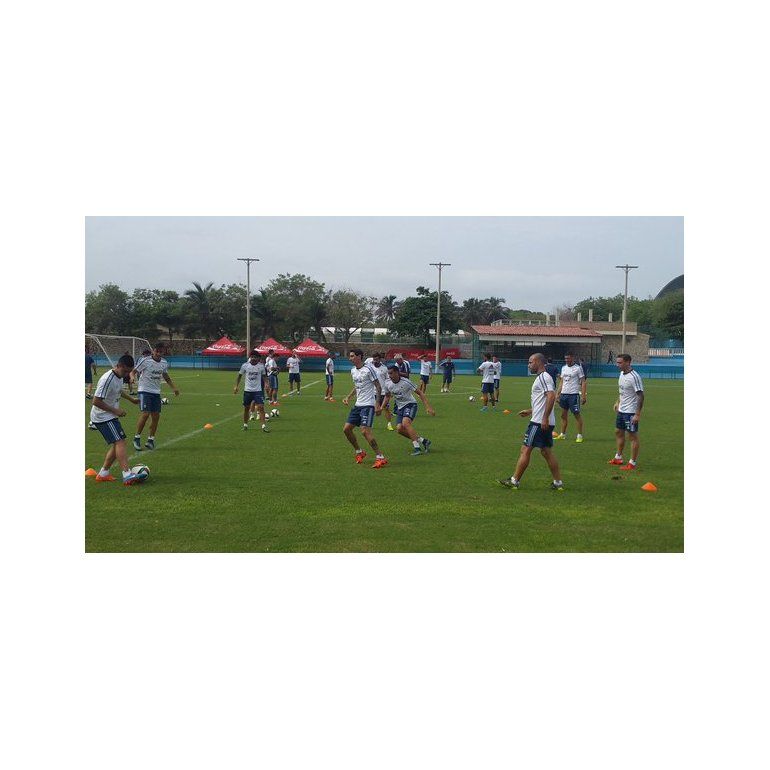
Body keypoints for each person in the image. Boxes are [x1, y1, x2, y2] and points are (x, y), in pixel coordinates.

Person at [498, 353, 563, 491]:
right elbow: (543, 400)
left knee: (525, 449)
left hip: (539, 422)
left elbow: (551, 396)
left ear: (538, 362)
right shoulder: (543, 377)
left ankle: (514, 481)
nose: (528, 365)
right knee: (546, 452)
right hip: (543, 420)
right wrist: (530, 411)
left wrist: (544, 418)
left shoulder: (544, 377)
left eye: (530, 362)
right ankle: (558, 483)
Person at [89, 354, 142, 485]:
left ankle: (103, 473)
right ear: (118, 366)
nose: (126, 374)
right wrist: (116, 410)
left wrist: (131, 399)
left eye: (129, 372)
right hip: (102, 416)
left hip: (109, 415)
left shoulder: (119, 376)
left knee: (118, 442)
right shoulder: (107, 379)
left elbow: (118, 390)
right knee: (120, 442)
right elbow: (96, 401)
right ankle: (127, 474)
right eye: (125, 371)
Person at [342, 349, 388, 468]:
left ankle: (380, 457)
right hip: (358, 405)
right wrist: (348, 397)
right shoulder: (353, 370)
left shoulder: (368, 369)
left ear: (359, 357)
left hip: (368, 405)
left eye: (352, 356)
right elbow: (357, 386)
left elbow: (378, 386)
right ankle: (359, 451)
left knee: (364, 431)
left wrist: (377, 404)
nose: (350, 358)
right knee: (346, 429)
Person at [131, 343, 180, 451]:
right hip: (144, 390)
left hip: (156, 392)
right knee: (145, 414)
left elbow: (166, 376)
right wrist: (132, 377)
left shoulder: (164, 363)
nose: (158, 353)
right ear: (153, 351)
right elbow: (133, 371)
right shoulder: (145, 361)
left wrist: (174, 388)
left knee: (156, 416)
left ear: (163, 352)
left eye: (161, 352)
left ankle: (150, 440)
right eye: (157, 351)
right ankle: (137, 438)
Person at [380, 364, 435, 455]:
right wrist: (381, 407)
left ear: (397, 373)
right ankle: (424, 441)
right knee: (399, 429)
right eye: (388, 373)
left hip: (410, 404)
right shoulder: (387, 383)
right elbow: (387, 396)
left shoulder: (406, 382)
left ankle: (417, 448)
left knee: (406, 423)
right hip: (400, 407)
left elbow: (420, 393)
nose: (389, 376)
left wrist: (428, 407)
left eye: (391, 373)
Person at [610, 353, 644, 470]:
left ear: (628, 362)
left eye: (620, 363)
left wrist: (637, 414)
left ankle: (632, 463)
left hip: (630, 412)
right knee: (618, 432)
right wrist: (617, 402)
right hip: (621, 410)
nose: (617, 365)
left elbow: (640, 395)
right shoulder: (621, 374)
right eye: (617, 362)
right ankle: (618, 457)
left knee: (632, 436)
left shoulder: (634, 377)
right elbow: (623, 391)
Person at [554, 352, 587, 442]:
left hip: (573, 395)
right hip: (564, 395)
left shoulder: (578, 368)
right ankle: (562, 434)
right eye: (565, 358)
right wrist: (557, 394)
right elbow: (562, 382)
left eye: (568, 358)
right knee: (563, 415)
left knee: (576, 415)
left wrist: (583, 395)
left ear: (572, 358)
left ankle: (579, 435)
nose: (566, 360)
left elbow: (583, 381)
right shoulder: (563, 368)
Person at [234, 350, 270, 432]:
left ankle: (264, 426)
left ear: (258, 358)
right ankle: (245, 425)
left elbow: (264, 376)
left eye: (255, 357)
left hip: (258, 391)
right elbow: (239, 376)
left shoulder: (261, 366)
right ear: (250, 357)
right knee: (246, 408)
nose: (253, 358)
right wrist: (236, 386)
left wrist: (267, 384)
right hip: (247, 391)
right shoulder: (245, 366)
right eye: (252, 357)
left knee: (261, 407)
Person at [367, 352, 394, 430]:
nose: (375, 361)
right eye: (374, 359)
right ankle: (369, 424)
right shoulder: (370, 367)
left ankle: (389, 424)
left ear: (380, 359)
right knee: (370, 409)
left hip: (382, 393)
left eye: (376, 359)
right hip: (372, 392)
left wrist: (390, 390)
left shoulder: (384, 368)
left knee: (386, 409)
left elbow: (388, 380)